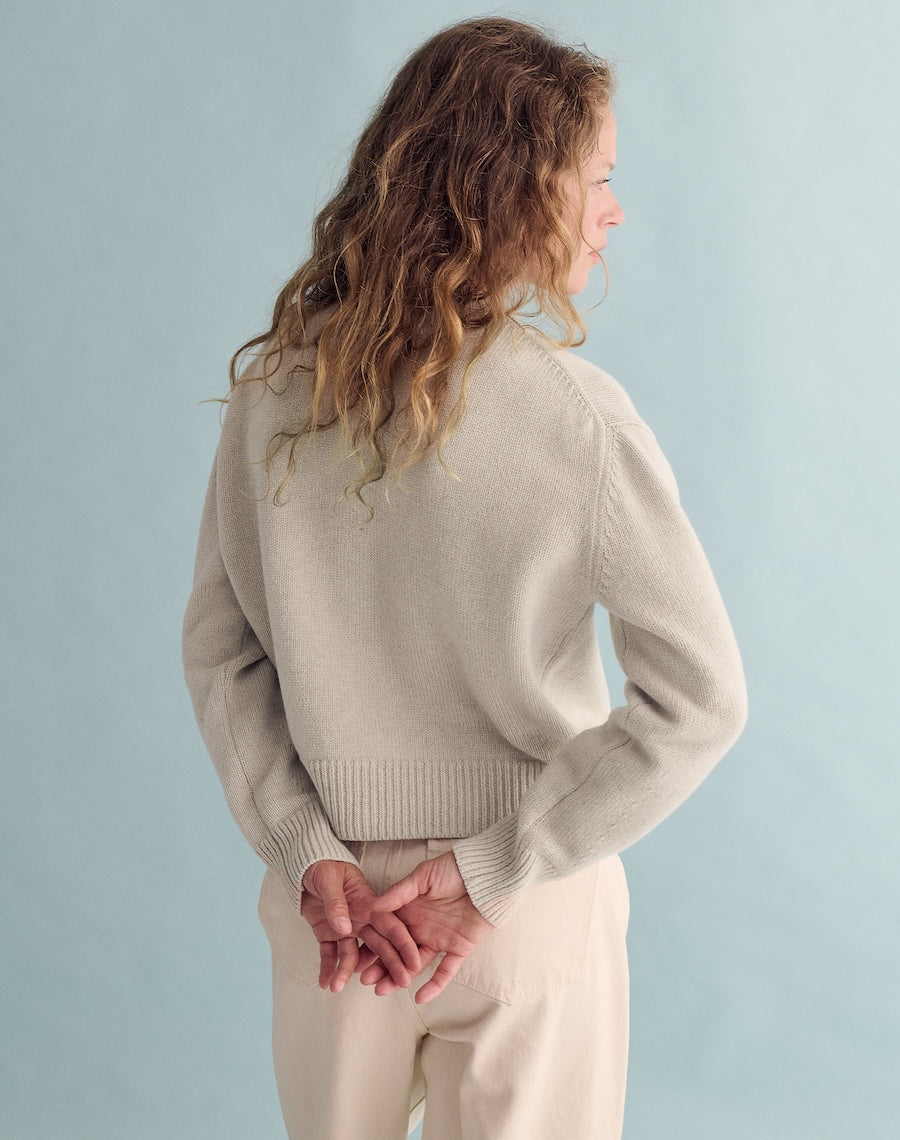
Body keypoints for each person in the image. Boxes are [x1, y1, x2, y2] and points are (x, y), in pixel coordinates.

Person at [181, 16, 748, 1140]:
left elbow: (220, 650)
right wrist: (500, 867)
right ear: (519, 192)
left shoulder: (275, 400)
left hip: (331, 915)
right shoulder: (581, 425)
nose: (615, 209)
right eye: (598, 178)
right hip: (523, 908)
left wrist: (312, 856)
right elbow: (705, 700)